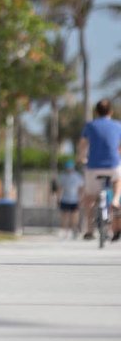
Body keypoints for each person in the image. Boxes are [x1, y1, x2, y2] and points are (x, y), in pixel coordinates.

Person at [78, 99, 121, 241]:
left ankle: (89, 230)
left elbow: (83, 145)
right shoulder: (117, 125)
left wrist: (81, 158)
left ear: (96, 112)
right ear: (111, 112)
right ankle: (115, 200)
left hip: (93, 166)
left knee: (89, 197)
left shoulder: (90, 126)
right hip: (113, 165)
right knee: (117, 180)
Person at [53, 158, 83, 239]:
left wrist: (80, 199)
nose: (69, 169)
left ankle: (74, 230)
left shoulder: (78, 176)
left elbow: (80, 189)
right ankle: (64, 231)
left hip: (75, 199)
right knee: (64, 216)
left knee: (75, 216)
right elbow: (60, 188)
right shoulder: (62, 176)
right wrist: (58, 198)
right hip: (65, 199)